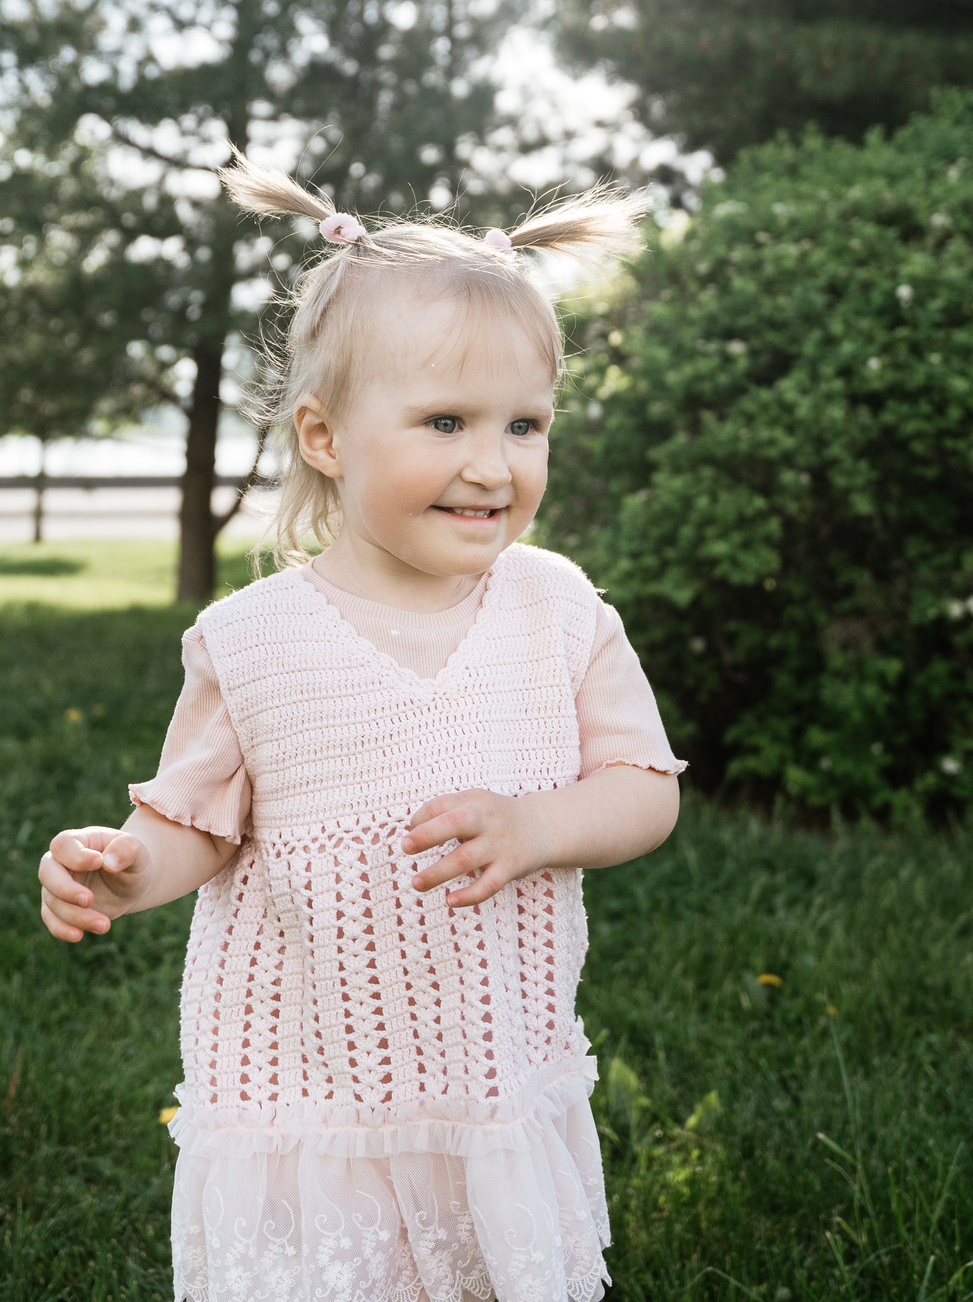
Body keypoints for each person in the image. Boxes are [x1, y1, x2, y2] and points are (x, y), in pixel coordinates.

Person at [38, 159, 684, 1302]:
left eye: (523, 425)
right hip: (315, 1085)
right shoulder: (253, 641)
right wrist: (124, 870)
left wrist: (541, 825)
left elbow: (644, 785)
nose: (492, 465)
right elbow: (198, 825)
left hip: (489, 1065)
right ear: (327, 437)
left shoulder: (557, 610)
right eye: (446, 422)